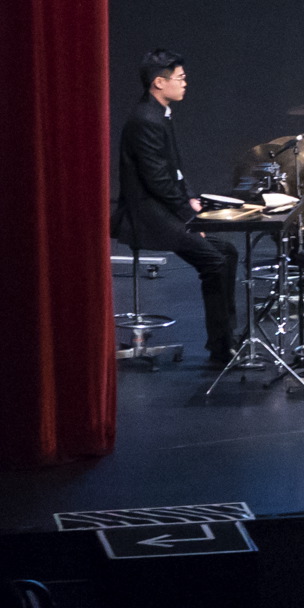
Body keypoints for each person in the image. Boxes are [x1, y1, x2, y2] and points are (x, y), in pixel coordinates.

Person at [116, 49, 236, 372]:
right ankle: (222, 350)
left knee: (227, 251)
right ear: (159, 82)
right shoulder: (145, 121)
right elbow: (157, 182)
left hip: (164, 206)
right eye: (180, 79)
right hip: (148, 214)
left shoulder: (159, 114)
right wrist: (189, 216)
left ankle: (225, 340)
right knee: (214, 260)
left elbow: (175, 172)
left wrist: (192, 200)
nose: (186, 83)